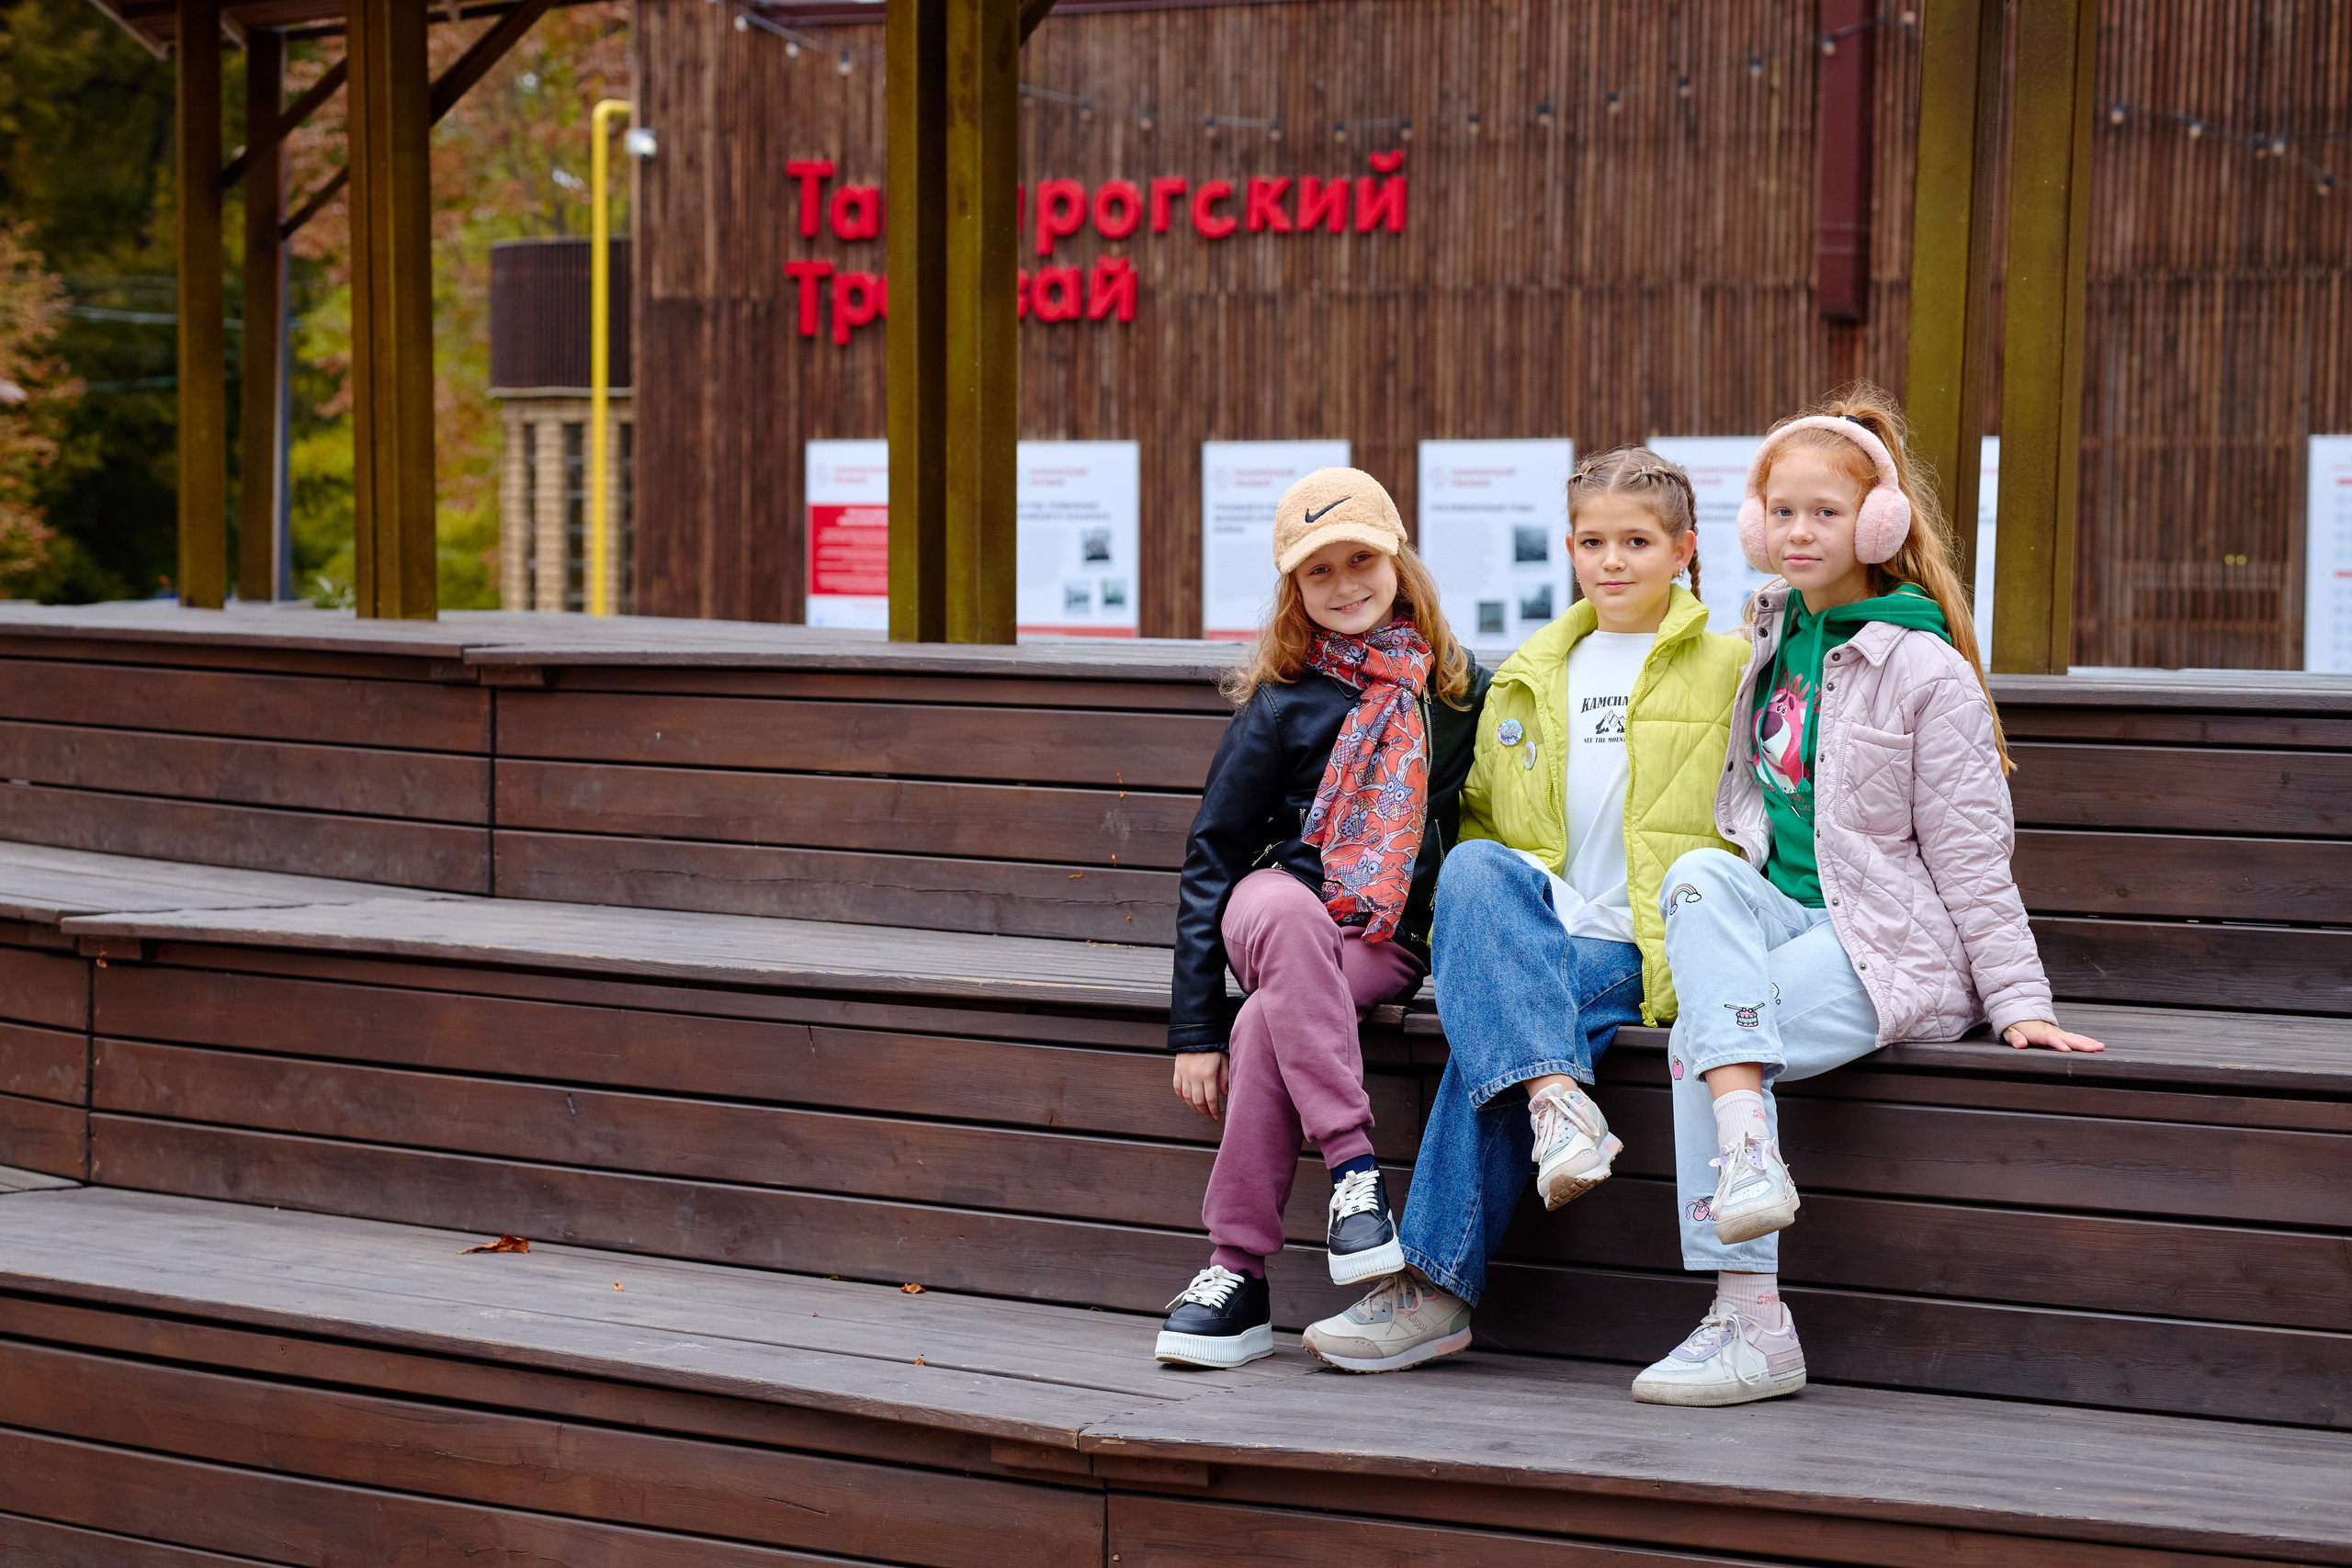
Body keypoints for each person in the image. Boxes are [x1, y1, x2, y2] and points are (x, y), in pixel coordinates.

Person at [1630, 384, 2105, 1408]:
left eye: (1826, 513)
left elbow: (1974, 857)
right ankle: (1751, 1155)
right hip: (1783, 919)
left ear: (1877, 525)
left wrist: (2021, 1003)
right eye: (1782, 511)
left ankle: (1749, 1322)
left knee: (1703, 1046)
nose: (1800, 532)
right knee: (1698, 874)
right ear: (1755, 522)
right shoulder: (1770, 633)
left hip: (1888, 944)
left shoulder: (1923, 668)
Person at [1304, 449, 1746, 1372]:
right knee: (1472, 864)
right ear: (1569, 550)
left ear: (1684, 552)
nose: (1611, 560)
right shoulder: (1529, 674)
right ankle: (1557, 1105)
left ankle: (1432, 1287)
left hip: (1643, 944)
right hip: (1540, 927)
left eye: (1636, 541)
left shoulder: (1733, 666)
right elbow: (1484, 827)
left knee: (1492, 1034)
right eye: (1592, 541)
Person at [1154, 467, 1488, 1370]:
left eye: (1360, 561)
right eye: (1318, 573)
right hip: (1269, 906)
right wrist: (1193, 1029)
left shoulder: (1454, 698)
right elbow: (1211, 861)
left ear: (1397, 560)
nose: (1344, 586)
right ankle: (1353, 1173)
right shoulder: (1279, 701)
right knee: (1289, 916)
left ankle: (1236, 1277)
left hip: (1378, 939)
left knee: (1268, 1016)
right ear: (1292, 591)